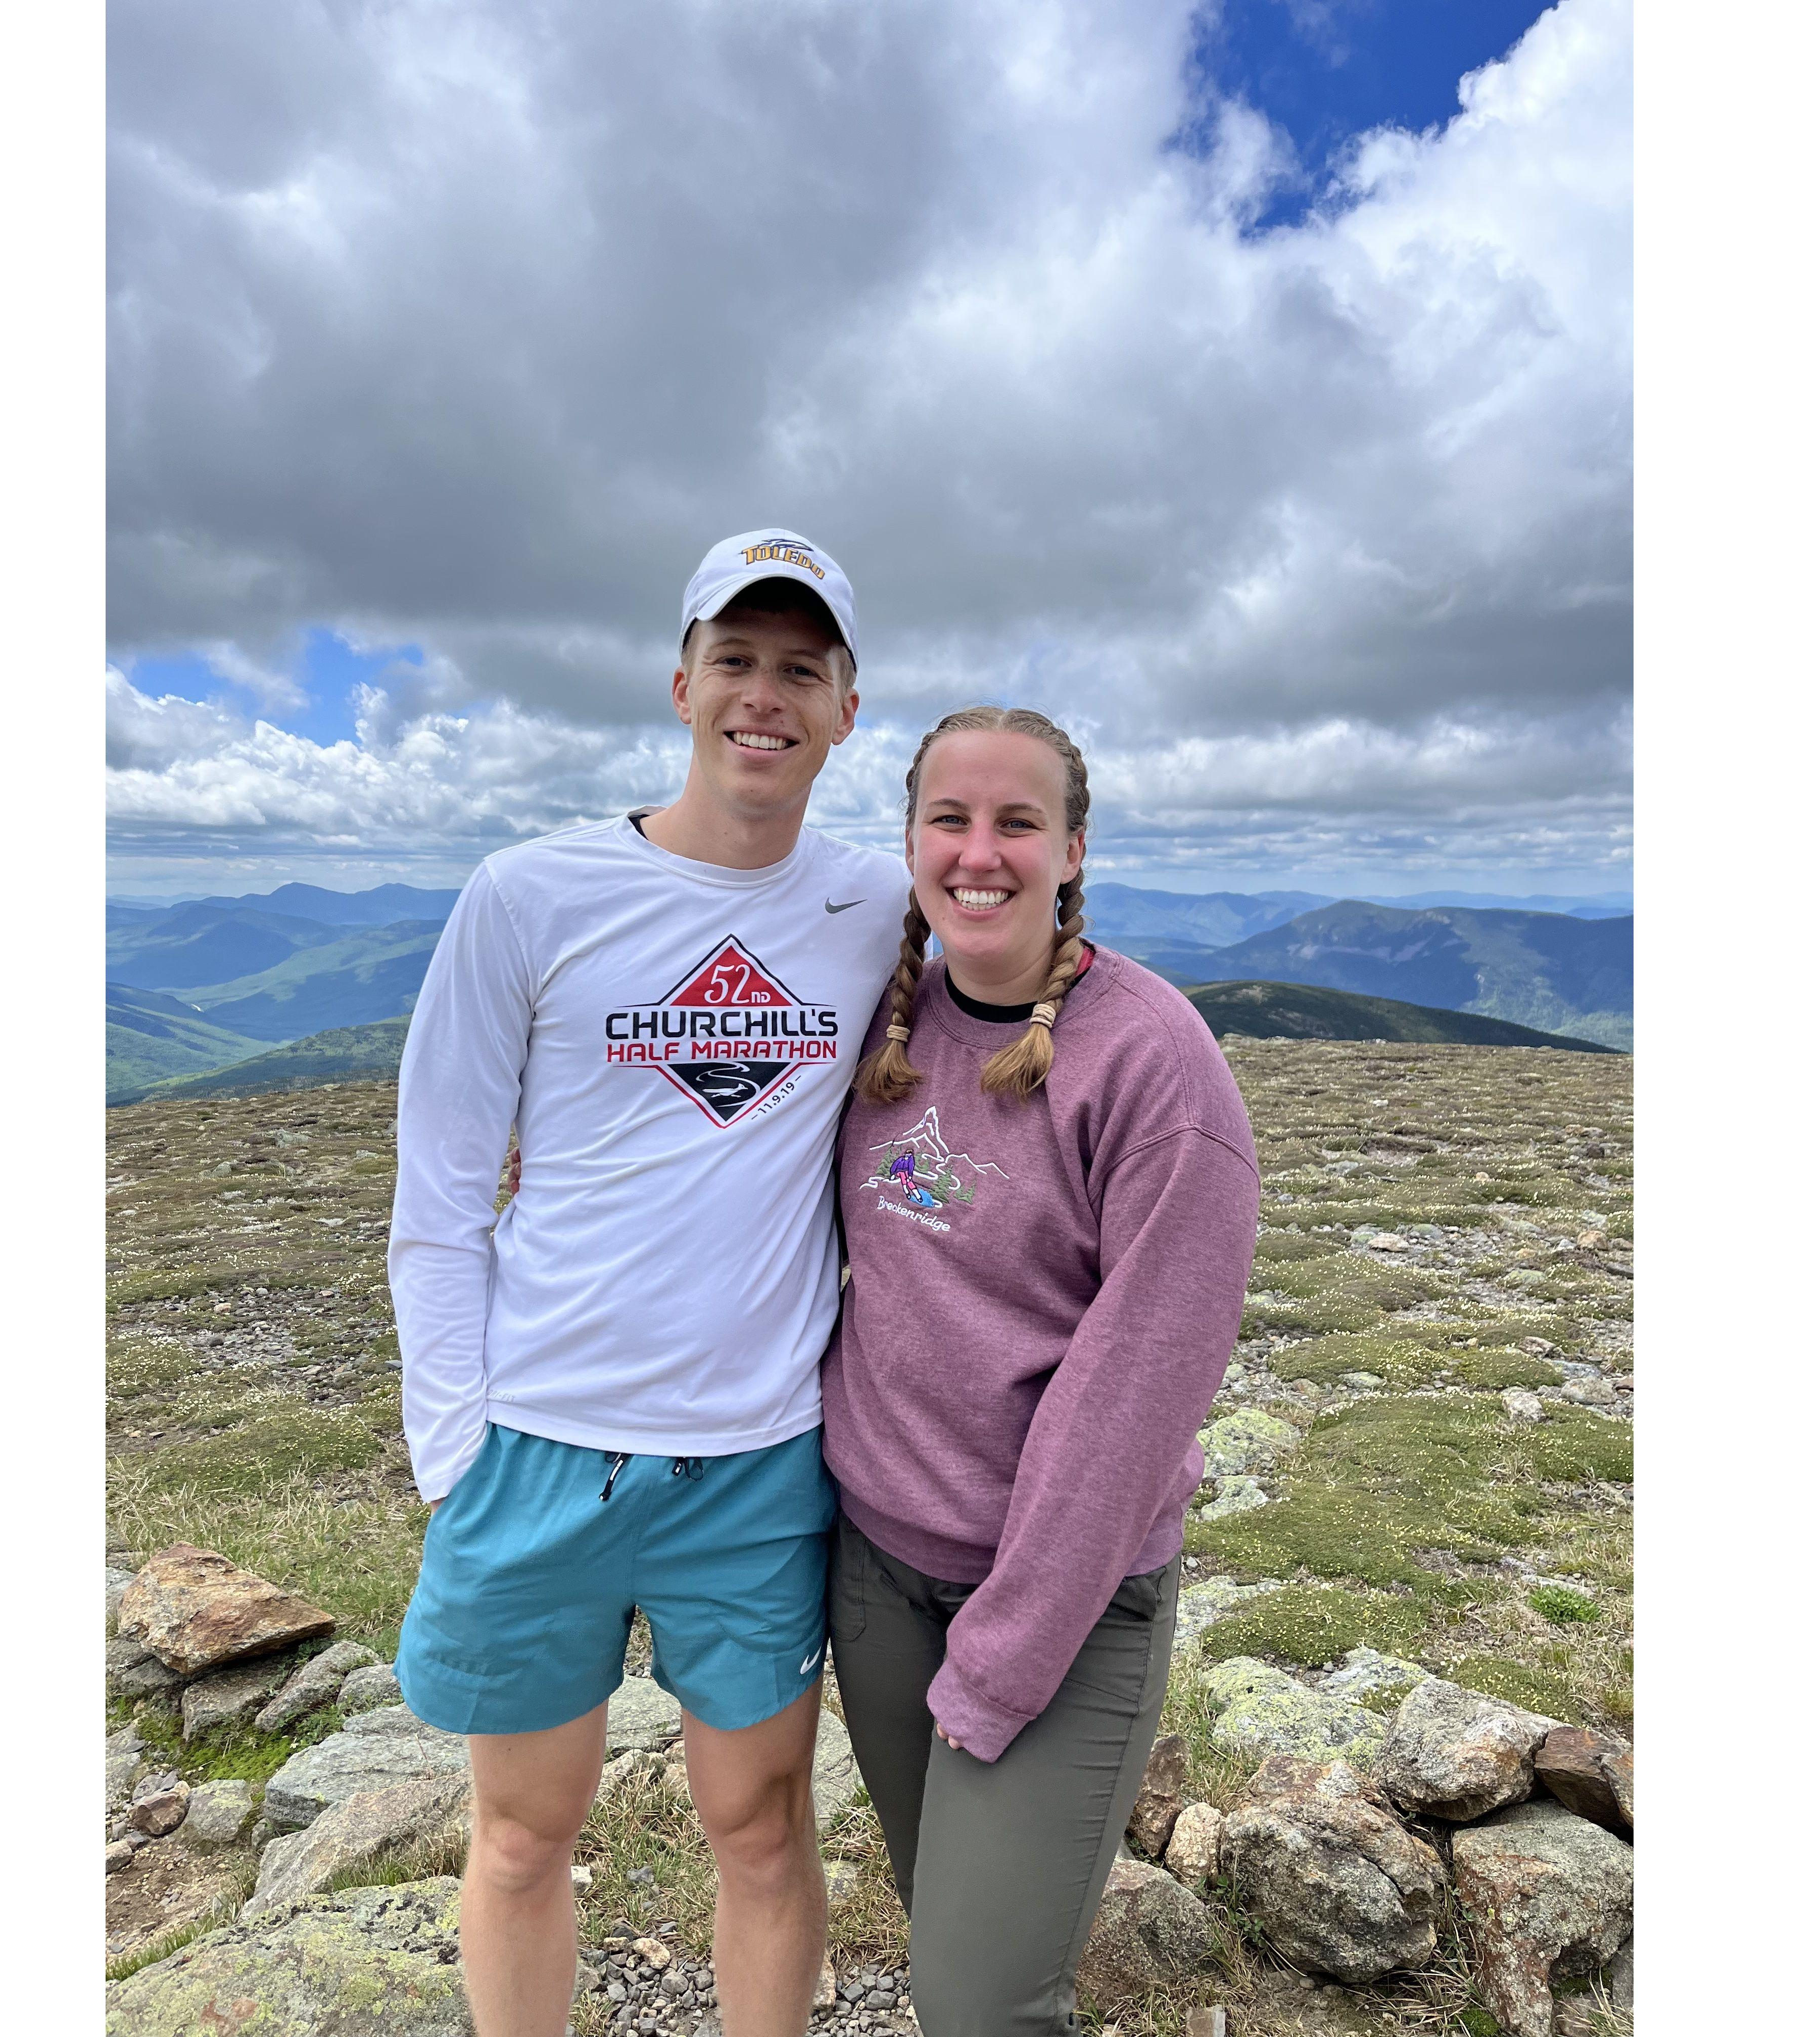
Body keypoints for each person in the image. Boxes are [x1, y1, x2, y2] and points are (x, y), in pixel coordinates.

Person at [388, 529, 911, 2037]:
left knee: (759, 1830)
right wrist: (455, 1451)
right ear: (683, 682)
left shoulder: (877, 907)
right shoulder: (528, 894)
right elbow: (437, 1196)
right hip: (537, 1448)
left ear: (845, 710)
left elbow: (1022, 954)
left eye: (800, 668)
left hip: (757, 1462)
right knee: (520, 1835)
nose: (765, 694)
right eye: (736, 660)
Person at [821, 706, 1261, 2036]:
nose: (980, 851)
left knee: (977, 2004)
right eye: (949, 819)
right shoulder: (871, 1023)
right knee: (936, 1914)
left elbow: (1137, 1397)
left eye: (1018, 822)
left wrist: (1003, 1660)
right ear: (909, 842)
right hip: (878, 1575)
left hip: (1066, 1606)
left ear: (1073, 849)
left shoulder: (1153, 1064)